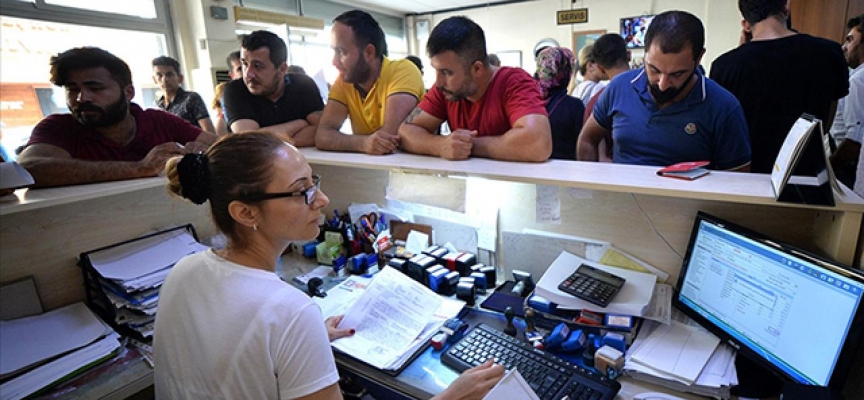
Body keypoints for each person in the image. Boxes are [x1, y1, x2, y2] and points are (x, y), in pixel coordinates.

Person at [155, 131, 505, 399]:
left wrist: (299, 344)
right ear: (245, 212)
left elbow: (232, 355)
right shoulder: (290, 311)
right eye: (301, 191)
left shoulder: (183, 271)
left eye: (314, 182)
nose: (321, 200)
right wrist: (451, 396)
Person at [576, 10, 751, 171]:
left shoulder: (723, 107)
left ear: (699, 58)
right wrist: (591, 190)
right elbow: (587, 140)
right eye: (654, 70)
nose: (662, 84)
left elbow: (738, 179)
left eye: (677, 74)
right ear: (644, 54)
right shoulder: (619, 87)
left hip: (686, 205)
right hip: (621, 204)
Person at [17, 47, 215, 188]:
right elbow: (29, 169)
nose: (82, 98)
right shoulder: (57, 128)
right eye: (72, 89)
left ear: (128, 93)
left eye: (95, 88)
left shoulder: (160, 121)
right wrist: (139, 168)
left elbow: (221, 145)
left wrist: (204, 153)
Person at [710, 0, 848, 174]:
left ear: (745, 23)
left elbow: (727, 130)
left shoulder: (724, 66)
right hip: (806, 177)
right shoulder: (830, 53)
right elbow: (826, 124)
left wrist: (741, 51)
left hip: (747, 178)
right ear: (786, 6)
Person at [399, 16, 552, 162]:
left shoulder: (515, 82)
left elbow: (538, 144)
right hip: (467, 185)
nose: (438, 82)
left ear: (477, 69)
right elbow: (405, 131)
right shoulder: (445, 89)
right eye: (436, 70)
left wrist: (466, 145)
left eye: (447, 72)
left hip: (516, 187)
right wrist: (439, 145)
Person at [315, 10, 425, 155]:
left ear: (369, 53)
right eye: (334, 52)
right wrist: (363, 143)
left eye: (342, 52)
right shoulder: (343, 81)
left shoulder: (402, 71)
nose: (334, 62)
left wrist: (356, 143)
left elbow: (388, 139)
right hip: (375, 171)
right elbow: (322, 136)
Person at [223, 30, 324, 147]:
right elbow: (250, 142)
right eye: (245, 64)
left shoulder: (303, 84)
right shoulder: (235, 90)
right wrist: (299, 124)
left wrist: (268, 137)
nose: (248, 74)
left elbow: (323, 131)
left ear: (281, 69)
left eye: (258, 66)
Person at [581, 34, 631, 162]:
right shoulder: (655, 91)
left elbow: (589, 143)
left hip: (614, 174)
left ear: (599, 67)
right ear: (629, 55)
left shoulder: (597, 100)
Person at [831, 14, 864, 190]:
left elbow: (854, 140)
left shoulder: (858, 81)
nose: (844, 47)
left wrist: (828, 169)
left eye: (850, 40)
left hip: (848, 170)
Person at [535, 46, 584, 160]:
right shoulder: (574, 106)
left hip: (532, 170)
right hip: (565, 172)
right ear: (566, 72)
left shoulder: (527, 102)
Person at [152, 56, 215, 132]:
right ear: (154, 79)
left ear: (180, 78)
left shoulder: (191, 98)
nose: (164, 79)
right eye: (159, 75)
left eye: (169, 75)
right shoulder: (157, 107)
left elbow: (209, 131)